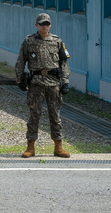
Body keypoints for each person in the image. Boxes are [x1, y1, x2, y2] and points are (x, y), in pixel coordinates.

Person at [14, 13, 71, 159]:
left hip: (53, 84)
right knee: (34, 116)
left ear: (50, 25)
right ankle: (30, 147)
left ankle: (58, 147)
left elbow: (64, 63)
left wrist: (65, 82)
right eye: (42, 24)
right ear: (36, 25)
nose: (44, 26)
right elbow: (21, 60)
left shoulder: (57, 41)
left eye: (47, 24)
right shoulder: (29, 41)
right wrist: (19, 79)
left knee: (55, 116)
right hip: (36, 84)